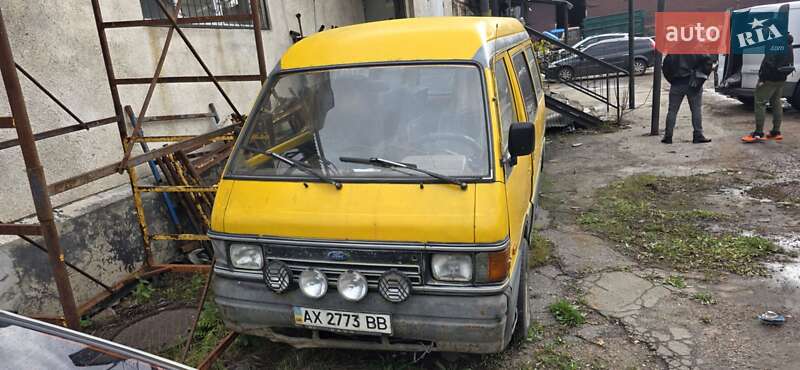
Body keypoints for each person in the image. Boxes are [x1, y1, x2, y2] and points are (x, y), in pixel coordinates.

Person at [742, 34, 795, 143]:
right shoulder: (788, 44)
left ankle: (758, 133)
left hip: (769, 79)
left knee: (760, 102)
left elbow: (768, 63)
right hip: (781, 78)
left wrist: (762, 78)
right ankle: (776, 132)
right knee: (776, 102)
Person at [661, 53, 715, 144]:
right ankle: (698, 135)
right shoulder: (697, 47)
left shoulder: (674, 48)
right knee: (696, 110)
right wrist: (701, 77)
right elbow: (708, 62)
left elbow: (666, 67)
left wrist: (672, 80)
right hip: (694, 83)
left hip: (676, 83)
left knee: (672, 111)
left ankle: (668, 136)